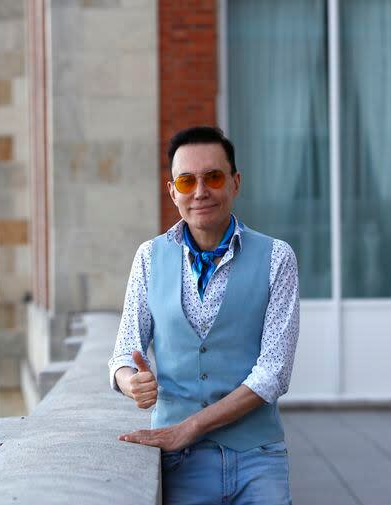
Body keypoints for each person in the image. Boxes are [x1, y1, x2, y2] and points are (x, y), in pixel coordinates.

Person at [108, 126, 300, 504]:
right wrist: (132, 382)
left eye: (213, 177)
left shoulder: (278, 258)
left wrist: (190, 427)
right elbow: (123, 352)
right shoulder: (149, 258)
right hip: (179, 464)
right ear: (172, 191)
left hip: (257, 459)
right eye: (186, 180)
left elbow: (273, 373)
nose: (200, 192)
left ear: (235, 182)